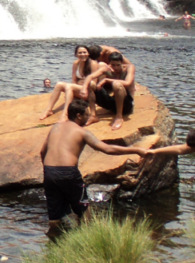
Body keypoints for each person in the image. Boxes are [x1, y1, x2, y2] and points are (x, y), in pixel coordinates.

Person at [39, 99, 150, 229]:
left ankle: (53, 242)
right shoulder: (82, 132)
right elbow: (107, 149)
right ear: (79, 116)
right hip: (68, 173)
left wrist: (48, 172)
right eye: (87, 114)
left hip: (49, 172)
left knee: (54, 215)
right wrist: (136, 150)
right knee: (84, 210)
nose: (89, 117)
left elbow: (42, 152)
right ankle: (87, 237)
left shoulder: (55, 128)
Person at [39, 45, 103, 124]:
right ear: (76, 54)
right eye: (80, 53)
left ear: (88, 53)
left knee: (69, 86)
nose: (82, 54)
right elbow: (74, 80)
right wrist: (72, 92)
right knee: (59, 84)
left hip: (89, 91)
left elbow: (94, 82)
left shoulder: (93, 63)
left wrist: (78, 87)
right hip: (79, 89)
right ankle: (48, 110)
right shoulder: (76, 63)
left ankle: (65, 113)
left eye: (84, 52)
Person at [94, 52, 135, 130]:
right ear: (109, 64)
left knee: (116, 84)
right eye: (113, 65)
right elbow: (91, 76)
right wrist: (84, 88)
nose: (116, 68)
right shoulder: (107, 69)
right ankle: (93, 115)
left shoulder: (129, 67)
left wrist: (106, 80)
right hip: (113, 105)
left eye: (118, 65)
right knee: (92, 84)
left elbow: (127, 83)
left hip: (126, 105)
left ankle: (119, 117)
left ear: (122, 63)